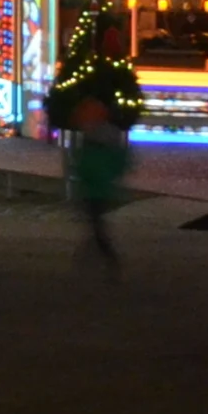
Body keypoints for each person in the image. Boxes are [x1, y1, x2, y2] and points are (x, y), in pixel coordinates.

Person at [64, 91, 132, 278]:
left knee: (96, 226)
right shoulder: (106, 135)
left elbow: (85, 164)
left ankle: (106, 260)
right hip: (99, 187)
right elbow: (120, 161)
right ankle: (95, 257)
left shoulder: (93, 138)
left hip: (95, 188)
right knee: (95, 224)